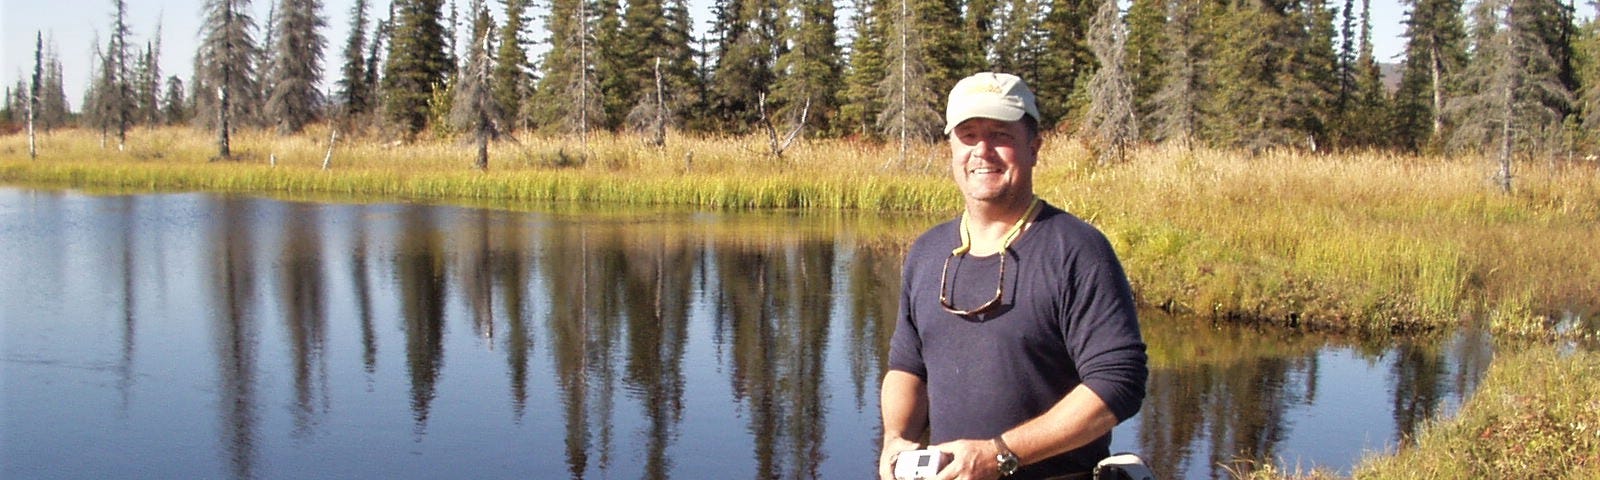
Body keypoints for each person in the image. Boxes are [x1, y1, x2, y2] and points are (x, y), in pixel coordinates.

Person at [878, 72, 1148, 480]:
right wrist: (896, 439)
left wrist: (1000, 454)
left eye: (1000, 134)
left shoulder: (1077, 249)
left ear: (1034, 147)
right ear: (951, 147)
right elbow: (907, 367)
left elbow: (1118, 382)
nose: (982, 151)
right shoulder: (927, 252)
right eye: (968, 135)